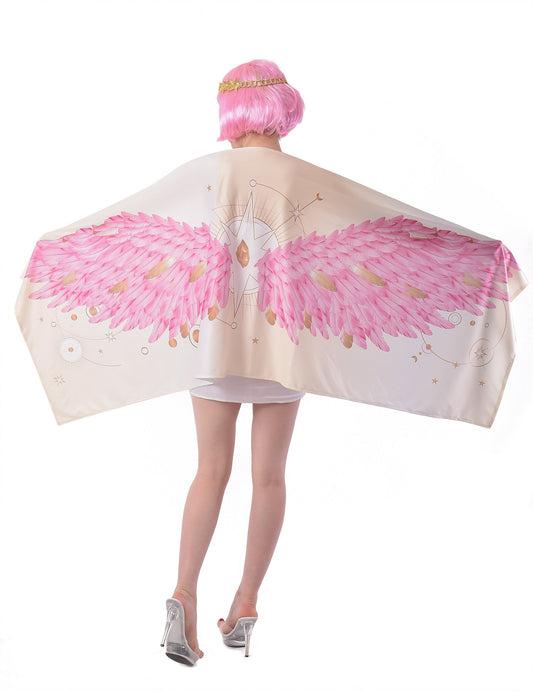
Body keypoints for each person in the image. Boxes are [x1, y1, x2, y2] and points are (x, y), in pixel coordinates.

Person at [164, 59, 306, 663]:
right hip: (281, 345)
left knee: (210, 469)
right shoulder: (306, 179)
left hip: (216, 343)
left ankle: (183, 594)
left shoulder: (209, 175)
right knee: (268, 475)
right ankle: (246, 602)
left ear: (234, 112)